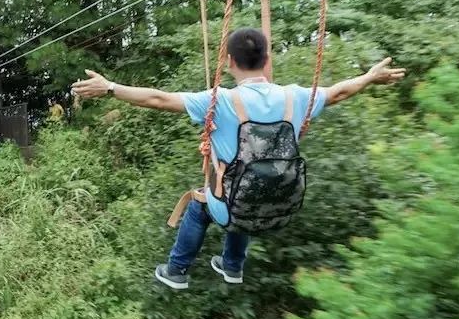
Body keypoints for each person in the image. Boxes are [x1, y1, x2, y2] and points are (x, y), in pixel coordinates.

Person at [71, 28, 405, 290]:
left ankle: (177, 270)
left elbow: (158, 99)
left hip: (234, 205)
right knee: (244, 186)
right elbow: (339, 91)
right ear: (267, 59)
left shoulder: (221, 101)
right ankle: (232, 265)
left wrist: (111, 87)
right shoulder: (296, 97)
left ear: (229, 61)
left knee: (203, 202)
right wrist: (369, 77)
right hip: (282, 203)